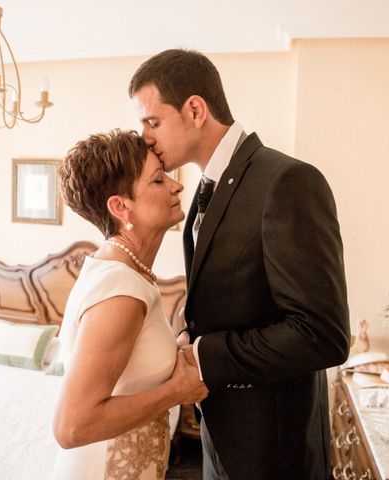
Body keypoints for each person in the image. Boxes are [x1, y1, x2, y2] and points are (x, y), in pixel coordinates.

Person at [129, 49, 350, 479]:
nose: (145, 138)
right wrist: (187, 336)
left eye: (152, 122)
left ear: (195, 109)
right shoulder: (203, 192)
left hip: (274, 453)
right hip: (223, 434)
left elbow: (322, 335)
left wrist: (204, 355)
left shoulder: (286, 182)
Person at [52, 129, 208, 479]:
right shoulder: (120, 290)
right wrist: (176, 391)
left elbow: (130, 372)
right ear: (121, 207)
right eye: (157, 180)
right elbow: (72, 426)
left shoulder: (131, 274)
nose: (176, 185)